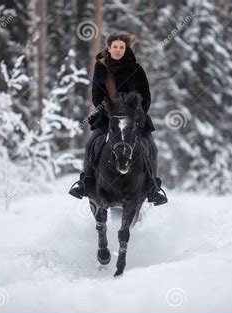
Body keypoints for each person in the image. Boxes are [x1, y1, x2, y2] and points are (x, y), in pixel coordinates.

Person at [69, 31, 167, 206]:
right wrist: (108, 112)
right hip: (107, 117)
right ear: (109, 48)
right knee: (92, 143)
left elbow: (146, 95)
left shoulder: (137, 69)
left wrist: (137, 114)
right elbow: (96, 95)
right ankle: (85, 182)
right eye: (115, 47)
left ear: (126, 48)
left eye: (122, 47)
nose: (118, 50)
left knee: (152, 146)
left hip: (134, 118)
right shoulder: (101, 68)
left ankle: (152, 187)